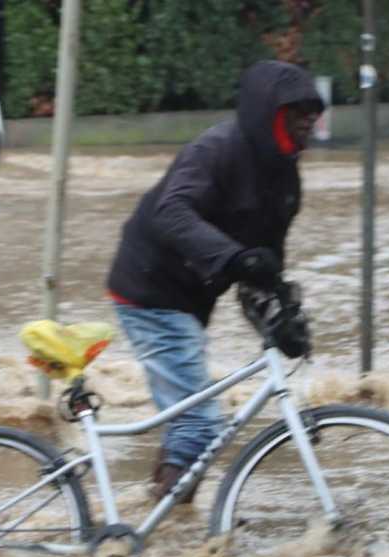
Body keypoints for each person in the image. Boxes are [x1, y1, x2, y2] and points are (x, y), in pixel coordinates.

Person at [105, 60, 325, 504]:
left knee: (188, 418)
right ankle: (162, 534)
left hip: (188, 302)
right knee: (201, 422)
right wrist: (235, 258)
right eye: (296, 110)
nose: (308, 120)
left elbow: (262, 269)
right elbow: (172, 213)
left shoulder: (285, 182)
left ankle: (158, 514)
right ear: (270, 112)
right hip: (148, 288)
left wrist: (281, 317)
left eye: (312, 112)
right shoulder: (217, 150)